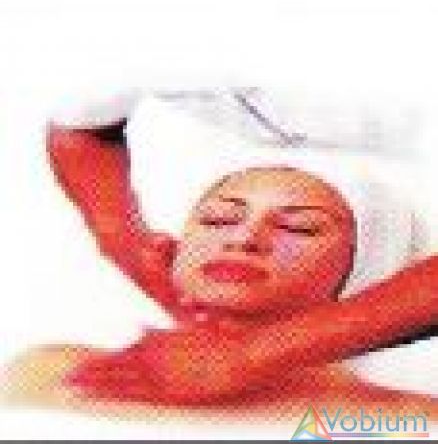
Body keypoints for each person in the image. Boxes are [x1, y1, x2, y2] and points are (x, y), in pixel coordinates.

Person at [4, 119, 438, 418]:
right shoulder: (52, 370)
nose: (244, 239)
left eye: (299, 228)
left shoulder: (393, 418)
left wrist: (251, 356)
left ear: (368, 273)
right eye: (218, 220)